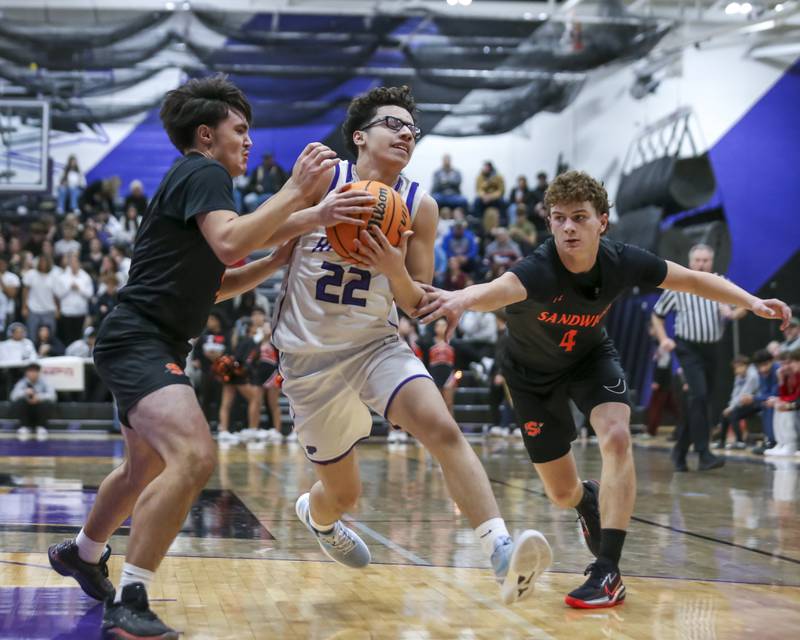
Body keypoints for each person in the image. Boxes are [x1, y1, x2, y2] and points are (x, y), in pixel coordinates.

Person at [47, 74, 374, 639]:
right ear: (206, 135)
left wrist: (284, 249)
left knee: (143, 468)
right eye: (239, 130)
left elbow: (215, 283)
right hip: (141, 340)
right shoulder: (204, 172)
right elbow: (231, 242)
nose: (248, 141)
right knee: (195, 457)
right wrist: (297, 193)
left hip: (141, 337)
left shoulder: (195, 184)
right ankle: (130, 601)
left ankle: (83, 552)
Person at [413, 169, 792, 609]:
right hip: (530, 376)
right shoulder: (539, 268)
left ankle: (608, 570)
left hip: (589, 359)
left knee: (616, 437)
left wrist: (751, 301)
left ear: (602, 222)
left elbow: (691, 279)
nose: (568, 227)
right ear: (549, 222)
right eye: (559, 218)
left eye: (579, 217)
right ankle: (586, 498)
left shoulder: (621, 260)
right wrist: (460, 298)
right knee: (561, 493)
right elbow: (499, 289)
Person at [270, 85, 552, 606]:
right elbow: (261, 235)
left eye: (412, 130)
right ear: (360, 136)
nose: (406, 134)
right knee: (343, 494)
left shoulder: (420, 204)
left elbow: (418, 301)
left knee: (442, 428)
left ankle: (501, 551)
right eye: (394, 124)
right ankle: (318, 517)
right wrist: (316, 214)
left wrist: (393, 268)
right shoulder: (322, 179)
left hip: (374, 345)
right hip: (309, 359)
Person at [651, 244, 744, 471]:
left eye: (705, 260)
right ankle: (703, 453)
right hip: (688, 348)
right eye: (698, 260)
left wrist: (732, 313)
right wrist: (663, 339)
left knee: (700, 401)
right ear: (690, 261)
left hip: (712, 349)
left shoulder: (720, 282)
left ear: (711, 262)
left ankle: (680, 452)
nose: (701, 264)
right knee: (699, 395)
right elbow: (657, 314)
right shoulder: (679, 285)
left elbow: (744, 305)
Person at [713, 355, 759, 450]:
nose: (736, 370)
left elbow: (745, 393)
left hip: (756, 401)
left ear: (745, 365)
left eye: (738, 367)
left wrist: (731, 408)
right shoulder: (739, 376)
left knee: (733, 414)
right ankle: (722, 441)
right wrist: (730, 406)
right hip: (744, 402)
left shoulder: (753, 375)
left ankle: (740, 442)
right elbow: (735, 393)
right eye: (735, 368)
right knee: (725, 415)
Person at [11, 362, 55, 439]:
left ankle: (41, 427)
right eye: (30, 371)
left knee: (47, 403)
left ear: (39, 372)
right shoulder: (22, 382)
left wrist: (39, 397)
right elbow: (13, 396)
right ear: (26, 373)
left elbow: (53, 396)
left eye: (35, 371)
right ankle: (24, 426)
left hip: (39, 408)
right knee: (19, 402)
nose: (33, 374)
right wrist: (24, 393)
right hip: (27, 408)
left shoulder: (45, 382)